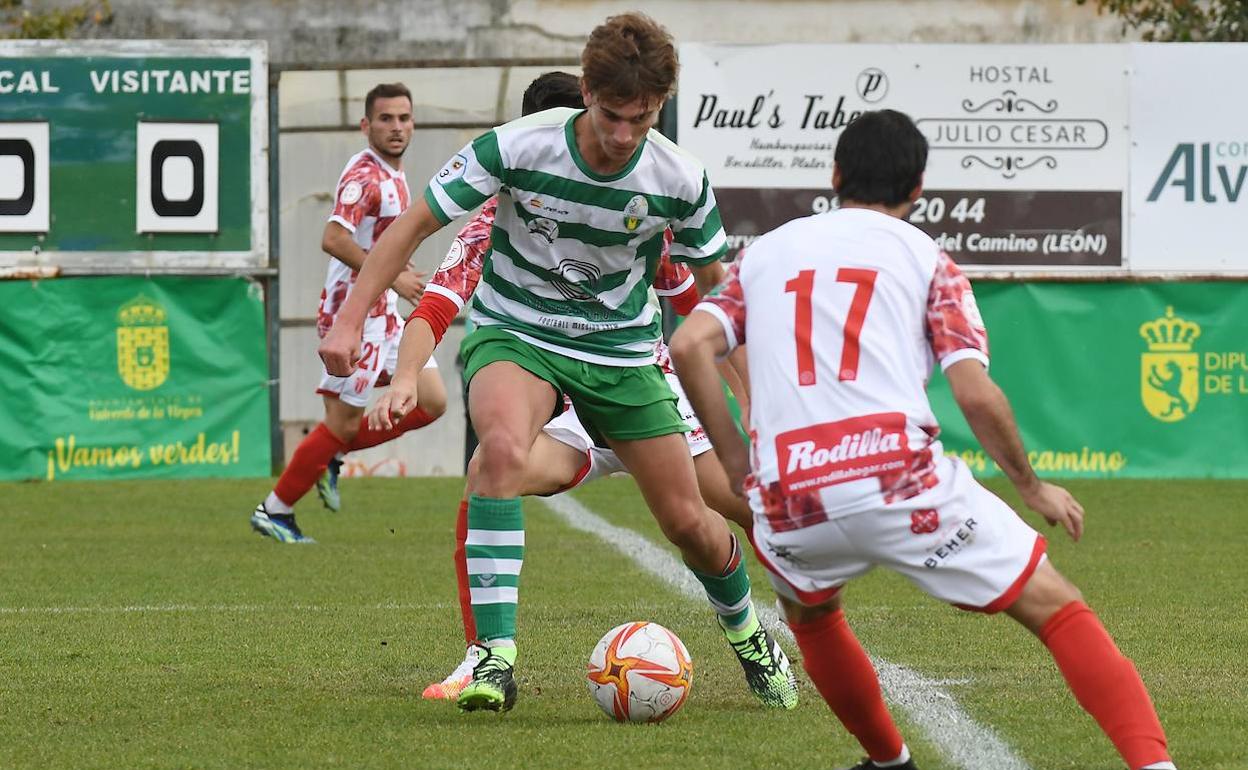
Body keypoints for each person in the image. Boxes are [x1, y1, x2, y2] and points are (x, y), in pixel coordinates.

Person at [319, 14, 797, 714]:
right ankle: (495, 657)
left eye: (641, 118)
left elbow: (717, 293)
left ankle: (751, 636)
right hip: (520, 335)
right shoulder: (514, 150)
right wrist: (356, 323)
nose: (623, 134)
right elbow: (416, 226)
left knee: (689, 521)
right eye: (610, 115)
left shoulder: (679, 178)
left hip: (624, 357)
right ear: (586, 92)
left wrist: (758, 397)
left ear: (659, 105)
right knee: (499, 455)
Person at [670, 109, 1175, 770]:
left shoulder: (765, 254)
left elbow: (688, 344)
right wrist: (1030, 484)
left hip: (793, 493)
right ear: (919, 190)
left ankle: (889, 763)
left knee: (811, 616)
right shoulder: (928, 259)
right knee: (1056, 608)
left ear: (836, 175)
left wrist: (739, 462)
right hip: (898, 481)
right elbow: (974, 392)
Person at [391, 71, 755, 700]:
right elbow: (435, 305)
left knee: (735, 510)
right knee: (493, 467)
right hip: (563, 410)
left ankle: (767, 637)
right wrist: (403, 372)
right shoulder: (495, 221)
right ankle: (485, 654)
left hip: (638, 387)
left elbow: (706, 311)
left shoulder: (648, 212)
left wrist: (752, 400)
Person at [250, 82, 447, 544]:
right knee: (340, 423)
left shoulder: (393, 172)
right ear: (366, 125)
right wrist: (395, 276)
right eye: (385, 119)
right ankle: (274, 510)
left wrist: (394, 281)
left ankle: (329, 457)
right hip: (352, 314)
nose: (396, 127)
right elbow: (333, 239)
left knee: (432, 399)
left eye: (404, 118)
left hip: (386, 311)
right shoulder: (366, 177)